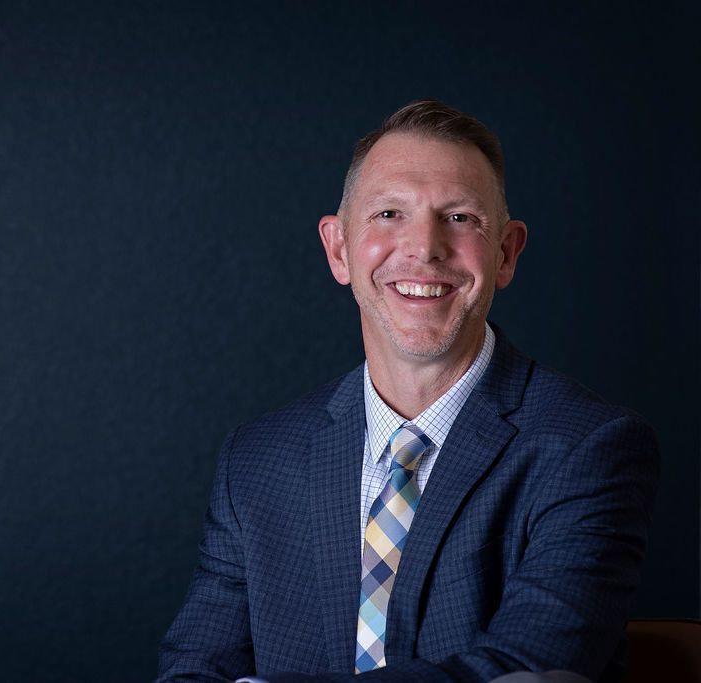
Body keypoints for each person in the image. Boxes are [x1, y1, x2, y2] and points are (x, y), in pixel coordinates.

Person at [155, 100, 660, 683]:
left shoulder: (589, 449)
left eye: (460, 217)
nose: (424, 248)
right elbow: (193, 672)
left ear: (505, 253)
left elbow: (525, 671)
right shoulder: (257, 460)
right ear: (339, 249)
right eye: (389, 213)